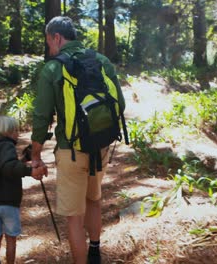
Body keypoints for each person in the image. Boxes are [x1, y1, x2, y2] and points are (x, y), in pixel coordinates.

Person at [30, 16, 126, 264]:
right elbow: (121, 104)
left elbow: (42, 116)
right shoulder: (101, 61)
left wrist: (36, 153)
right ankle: (95, 251)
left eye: (49, 42)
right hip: (100, 145)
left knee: (74, 216)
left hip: (70, 149)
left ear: (57, 38)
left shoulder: (52, 68)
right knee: (94, 198)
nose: (50, 47)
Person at [0, 115, 46, 264]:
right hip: (8, 201)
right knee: (11, 237)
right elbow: (8, 168)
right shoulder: (7, 146)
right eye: (15, 130)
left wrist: (24, 159)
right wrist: (31, 171)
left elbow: (3, 167)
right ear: (8, 132)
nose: (17, 133)